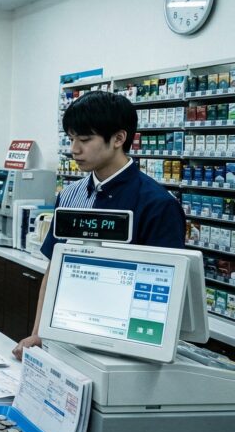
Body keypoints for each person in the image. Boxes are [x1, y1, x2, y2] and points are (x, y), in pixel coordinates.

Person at [12, 91, 186, 360]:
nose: (74, 149)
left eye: (84, 139)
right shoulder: (70, 195)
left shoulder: (157, 205)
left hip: (125, 348)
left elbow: (165, 292)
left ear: (118, 138)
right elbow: (53, 271)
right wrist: (39, 333)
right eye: (71, 139)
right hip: (66, 335)